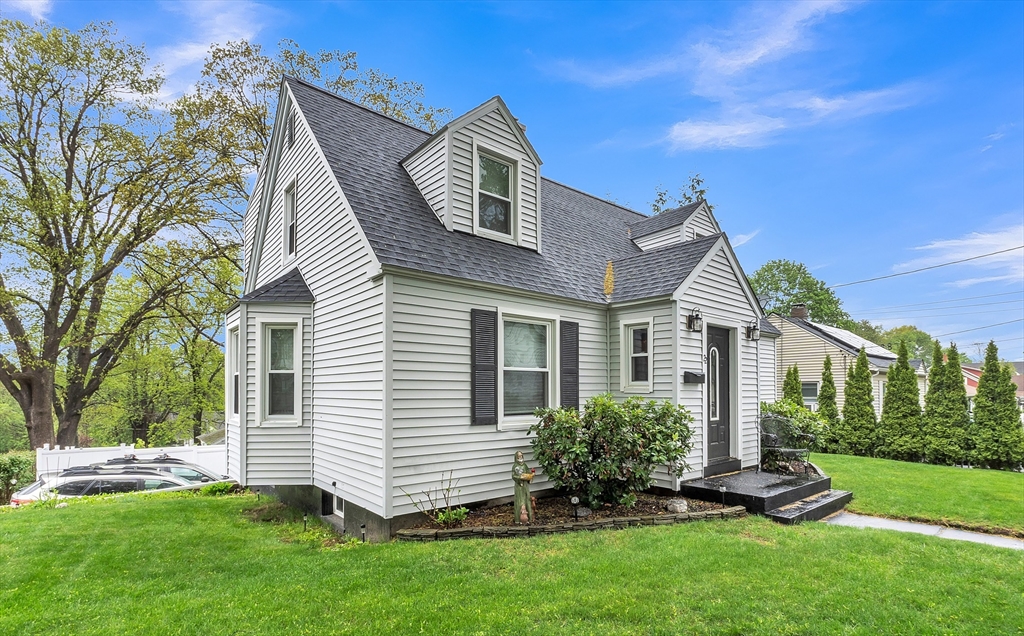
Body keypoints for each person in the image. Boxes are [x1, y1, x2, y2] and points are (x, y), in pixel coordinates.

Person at [511, 451, 534, 524]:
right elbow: (513, 475)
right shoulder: (515, 466)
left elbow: (528, 473)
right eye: (519, 456)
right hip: (519, 486)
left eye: (521, 456)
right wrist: (519, 478)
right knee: (520, 500)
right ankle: (518, 518)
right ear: (516, 457)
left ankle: (529, 518)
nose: (520, 458)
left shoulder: (525, 465)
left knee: (527, 499)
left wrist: (531, 476)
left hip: (525, 486)